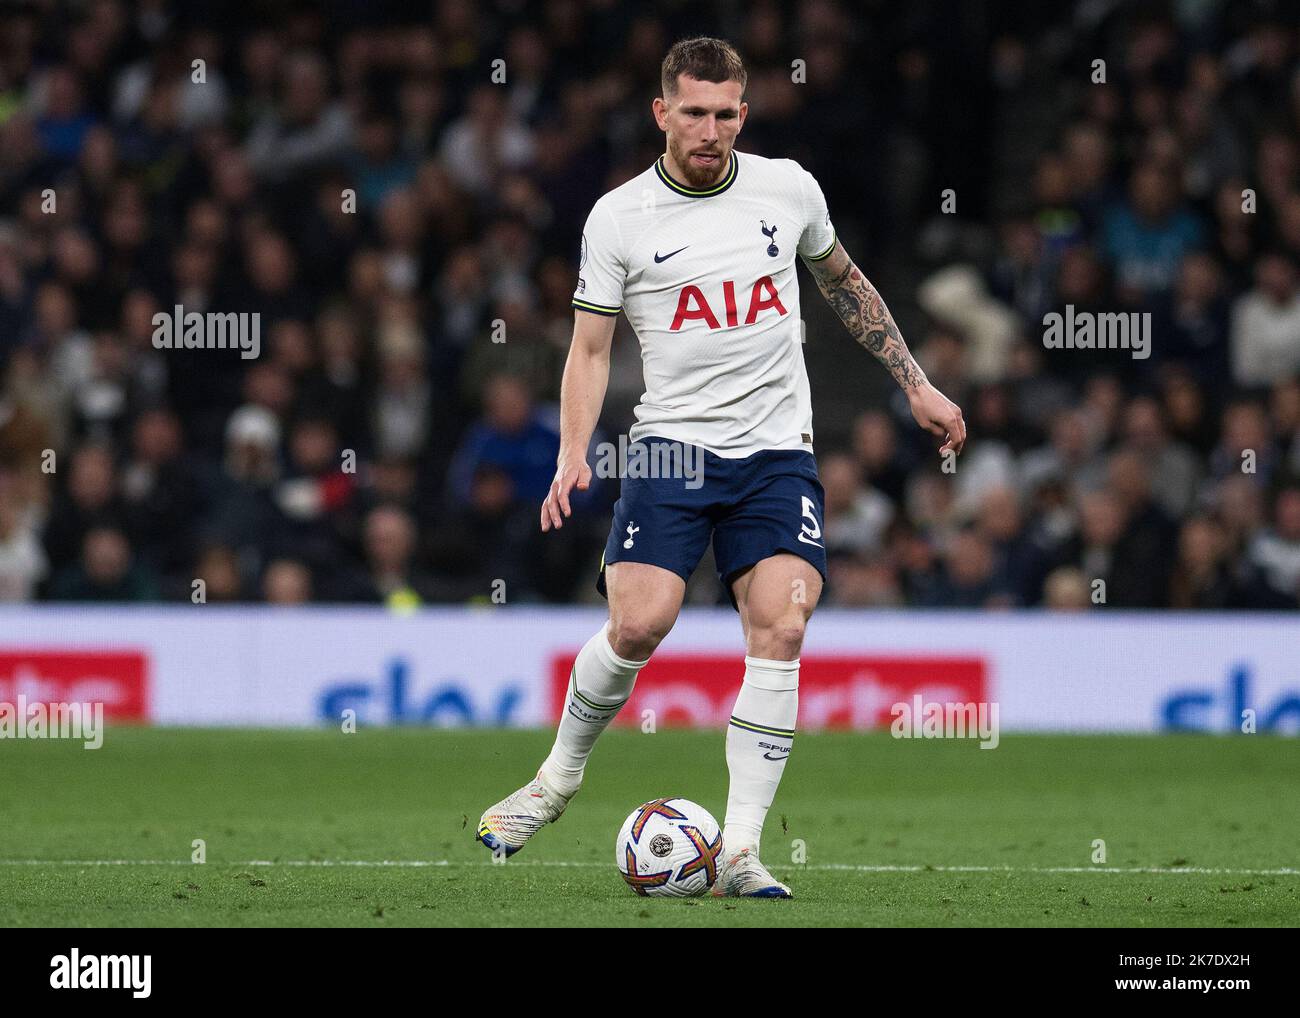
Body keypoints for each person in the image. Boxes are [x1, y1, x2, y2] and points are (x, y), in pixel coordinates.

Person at [476, 37, 965, 897]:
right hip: (668, 446)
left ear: (746, 111)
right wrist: (572, 453)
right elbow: (590, 350)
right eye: (694, 113)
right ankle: (554, 783)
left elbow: (849, 287)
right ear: (662, 113)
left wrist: (916, 383)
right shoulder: (619, 217)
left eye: (727, 113)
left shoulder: (788, 189)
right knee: (639, 624)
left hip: (777, 452)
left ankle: (738, 850)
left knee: (780, 629)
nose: (711, 131)